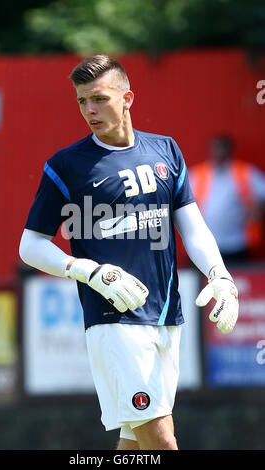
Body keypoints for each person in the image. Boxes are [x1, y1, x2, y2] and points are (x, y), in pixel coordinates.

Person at [19, 55, 239, 451]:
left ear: (127, 99)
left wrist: (220, 275)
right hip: (113, 319)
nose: (89, 110)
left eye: (99, 98)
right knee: (161, 439)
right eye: (81, 101)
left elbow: (193, 227)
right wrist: (89, 271)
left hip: (165, 313)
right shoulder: (66, 165)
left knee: (135, 444)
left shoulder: (166, 151)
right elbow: (30, 246)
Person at [189, 135, 265, 265]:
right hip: (203, 245)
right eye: (216, 148)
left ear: (230, 150)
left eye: (223, 148)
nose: (219, 152)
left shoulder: (245, 172)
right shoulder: (197, 174)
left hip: (236, 243)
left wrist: (259, 210)